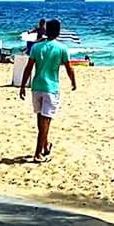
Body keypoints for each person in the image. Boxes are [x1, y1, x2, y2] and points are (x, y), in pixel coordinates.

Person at [19, 19, 76, 163]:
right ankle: (38, 153)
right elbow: (69, 68)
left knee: (40, 119)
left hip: (37, 86)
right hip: (51, 88)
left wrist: (22, 85)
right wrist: (73, 82)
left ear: (45, 30)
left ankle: (45, 145)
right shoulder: (62, 48)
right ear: (58, 32)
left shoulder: (36, 48)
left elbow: (28, 67)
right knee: (46, 121)